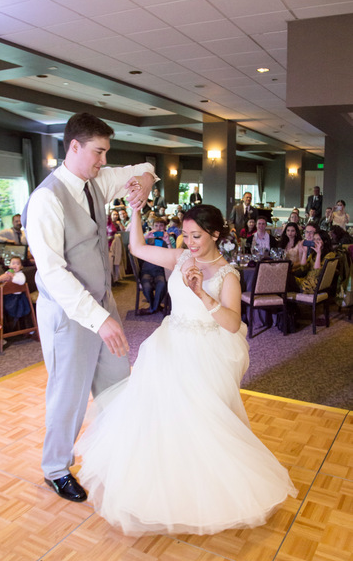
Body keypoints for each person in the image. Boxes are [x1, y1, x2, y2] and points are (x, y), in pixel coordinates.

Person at [75, 204, 297, 536]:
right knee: (160, 419)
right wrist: (136, 209)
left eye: (196, 236)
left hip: (206, 351)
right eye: (186, 234)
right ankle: (159, 487)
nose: (189, 242)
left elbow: (233, 322)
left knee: (202, 423)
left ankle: (206, 492)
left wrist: (201, 294)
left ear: (215, 235)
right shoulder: (180, 259)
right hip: (169, 344)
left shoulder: (227, 274)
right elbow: (136, 247)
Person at [22, 111, 157, 503]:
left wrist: (145, 182)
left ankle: (117, 453)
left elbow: (143, 168)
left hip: (104, 303)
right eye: (98, 152)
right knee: (69, 394)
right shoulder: (46, 199)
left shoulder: (96, 180)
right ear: (75, 146)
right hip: (68, 314)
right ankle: (56, 469)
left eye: (106, 153)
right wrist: (100, 320)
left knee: (119, 379)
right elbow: (51, 273)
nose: (103, 161)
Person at [139, 218, 172, 314]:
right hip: (147, 269)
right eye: (156, 226)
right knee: (146, 285)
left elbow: (172, 255)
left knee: (162, 284)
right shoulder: (148, 238)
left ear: (165, 227)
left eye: (161, 226)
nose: (158, 228)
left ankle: (152, 308)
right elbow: (135, 248)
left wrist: (168, 241)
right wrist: (145, 237)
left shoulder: (168, 237)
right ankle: (155, 306)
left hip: (160, 269)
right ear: (152, 227)